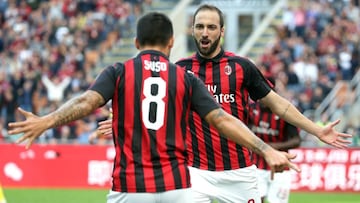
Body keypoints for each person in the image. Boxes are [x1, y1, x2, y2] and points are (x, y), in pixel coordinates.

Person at [7, 12, 300, 203]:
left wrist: (46, 121)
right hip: (177, 187)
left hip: (130, 186)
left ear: (136, 42)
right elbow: (222, 120)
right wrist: (265, 149)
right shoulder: (185, 78)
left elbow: (86, 102)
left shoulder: (119, 72)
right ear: (172, 42)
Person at [175, 4, 351, 203]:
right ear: (192, 29)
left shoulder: (241, 67)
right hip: (195, 172)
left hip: (239, 171)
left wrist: (316, 130)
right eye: (199, 27)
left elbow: (279, 105)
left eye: (211, 27)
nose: (204, 33)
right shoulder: (179, 70)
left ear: (222, 31)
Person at [248, 77, 301, 203]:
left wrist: (272, 146)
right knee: (255, 199)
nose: (260, 98)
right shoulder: (250, 109)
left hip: (280, 166)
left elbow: (297, 140)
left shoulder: (285, 111)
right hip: (255, 165)